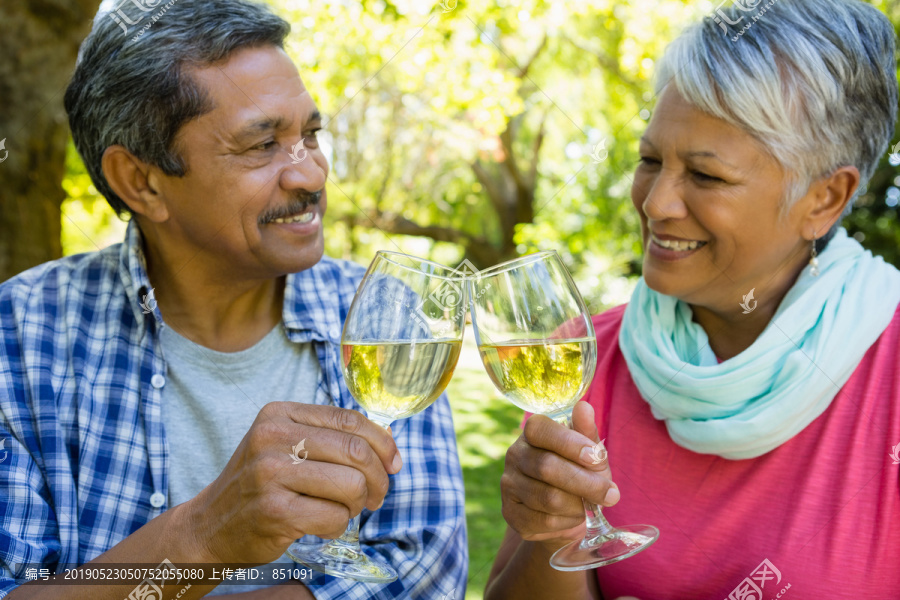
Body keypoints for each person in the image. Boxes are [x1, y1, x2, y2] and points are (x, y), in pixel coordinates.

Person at [0, 1, 466, 598]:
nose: (312, 175)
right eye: (262, 145)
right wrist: (201, 538)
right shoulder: (18, 335)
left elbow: (423, 571)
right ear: (140, 181)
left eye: (310, 135)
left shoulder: (388, 316)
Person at [484, 0, 900, 598]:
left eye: (706, 176)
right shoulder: (584, 358)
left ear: (825, 199)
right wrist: (549, 532)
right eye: (650, 160)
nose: (656, 204)